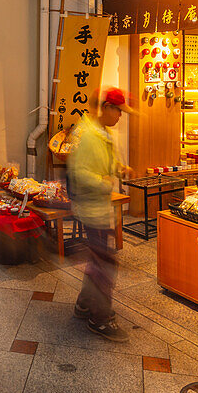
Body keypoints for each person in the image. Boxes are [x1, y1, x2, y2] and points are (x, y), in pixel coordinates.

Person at [67, 87, 134, 343]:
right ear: (106, 107)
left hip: (98, 207)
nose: (120, 116)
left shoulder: (102, 132)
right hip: (90, 207)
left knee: (99, 259)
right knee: (105, 264)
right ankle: (100, 319)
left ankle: (84, 305)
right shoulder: (86, 135)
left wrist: (119, 169)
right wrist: (106, 183)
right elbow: (80, 172)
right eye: (118, 110)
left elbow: (105, 162)